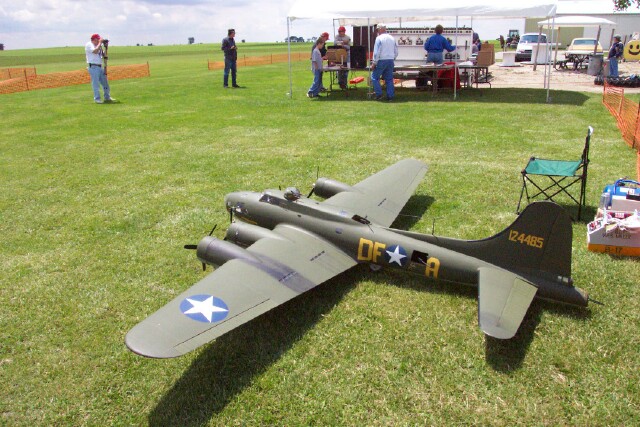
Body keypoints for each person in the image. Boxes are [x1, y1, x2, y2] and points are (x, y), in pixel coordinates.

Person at [85, 33, 114, 104]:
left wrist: (106, 47)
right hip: (93, 67)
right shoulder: (89, 45)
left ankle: (107, 97)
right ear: (94, 39)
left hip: (100, 66)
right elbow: (95, 51)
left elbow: (104, 55)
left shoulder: (99, 46)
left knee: (105, 83)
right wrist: (100, 43)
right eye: (98, 39)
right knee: (96, 84)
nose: (99, 41)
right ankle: (97, 99)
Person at [371, 25, 398, 101]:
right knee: (389, 79)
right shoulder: (392, 38)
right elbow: (396, 51)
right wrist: (393, 58)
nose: (377, 32)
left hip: (381, 60)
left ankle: (379, 94)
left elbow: (377, 52)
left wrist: (374, 63)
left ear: (380, 29)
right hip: (390, 60)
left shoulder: (379, 38)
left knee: (374, 77)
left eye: (377, 30)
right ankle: (390, 96)